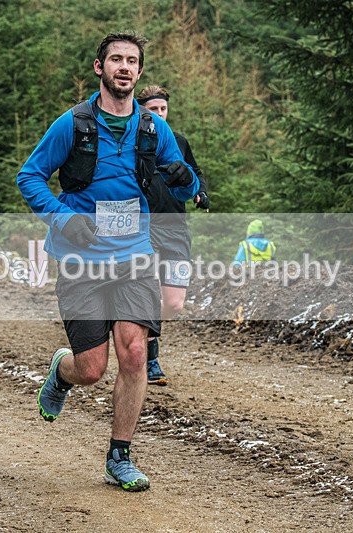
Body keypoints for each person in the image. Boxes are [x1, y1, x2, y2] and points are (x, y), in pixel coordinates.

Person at [16, 32, 199, 492]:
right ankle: (63, 370)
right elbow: (30, 175)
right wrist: (63, 220)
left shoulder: (154, 130)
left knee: (135, 352)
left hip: (135, 254)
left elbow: (181, 187)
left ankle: (119, 456)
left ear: (139, 72)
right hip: (80, 257)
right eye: (115, 59)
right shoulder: (73, 124)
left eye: (131, 61)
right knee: (92, 368)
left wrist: (184, 179)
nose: (124, 67)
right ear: (100, 68)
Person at [135, 84, 210, 386]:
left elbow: (196, 172)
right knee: (150, 288)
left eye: (163, 109)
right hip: (143, 227)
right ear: (142, 111)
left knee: (174, 302)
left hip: (176, 228)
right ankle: (149, 358)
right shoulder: (133, 142)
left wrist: (201, 192)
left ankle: (143, 335)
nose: (160, 114)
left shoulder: (178, 141)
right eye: (153, 109)